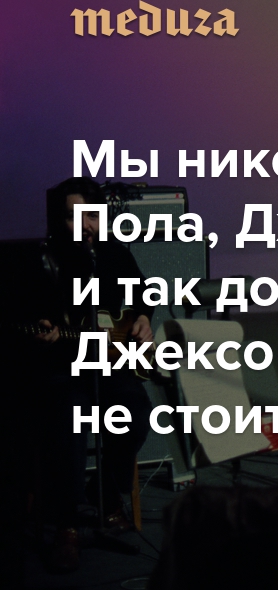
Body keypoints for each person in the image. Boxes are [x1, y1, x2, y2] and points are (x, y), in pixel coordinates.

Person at [34, 177, 153, 571]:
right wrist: (45, 328)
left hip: (110, 364)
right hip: (65, 367)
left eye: (92, 216)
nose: (85, 225)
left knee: (137, 414)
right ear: (60, 220)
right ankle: (66, 524)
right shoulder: (45, 260)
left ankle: (102, 493)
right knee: (69, 420)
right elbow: (31, 309)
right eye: (74, 217)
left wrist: (142, 319)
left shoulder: (113, 252)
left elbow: (144, 294)